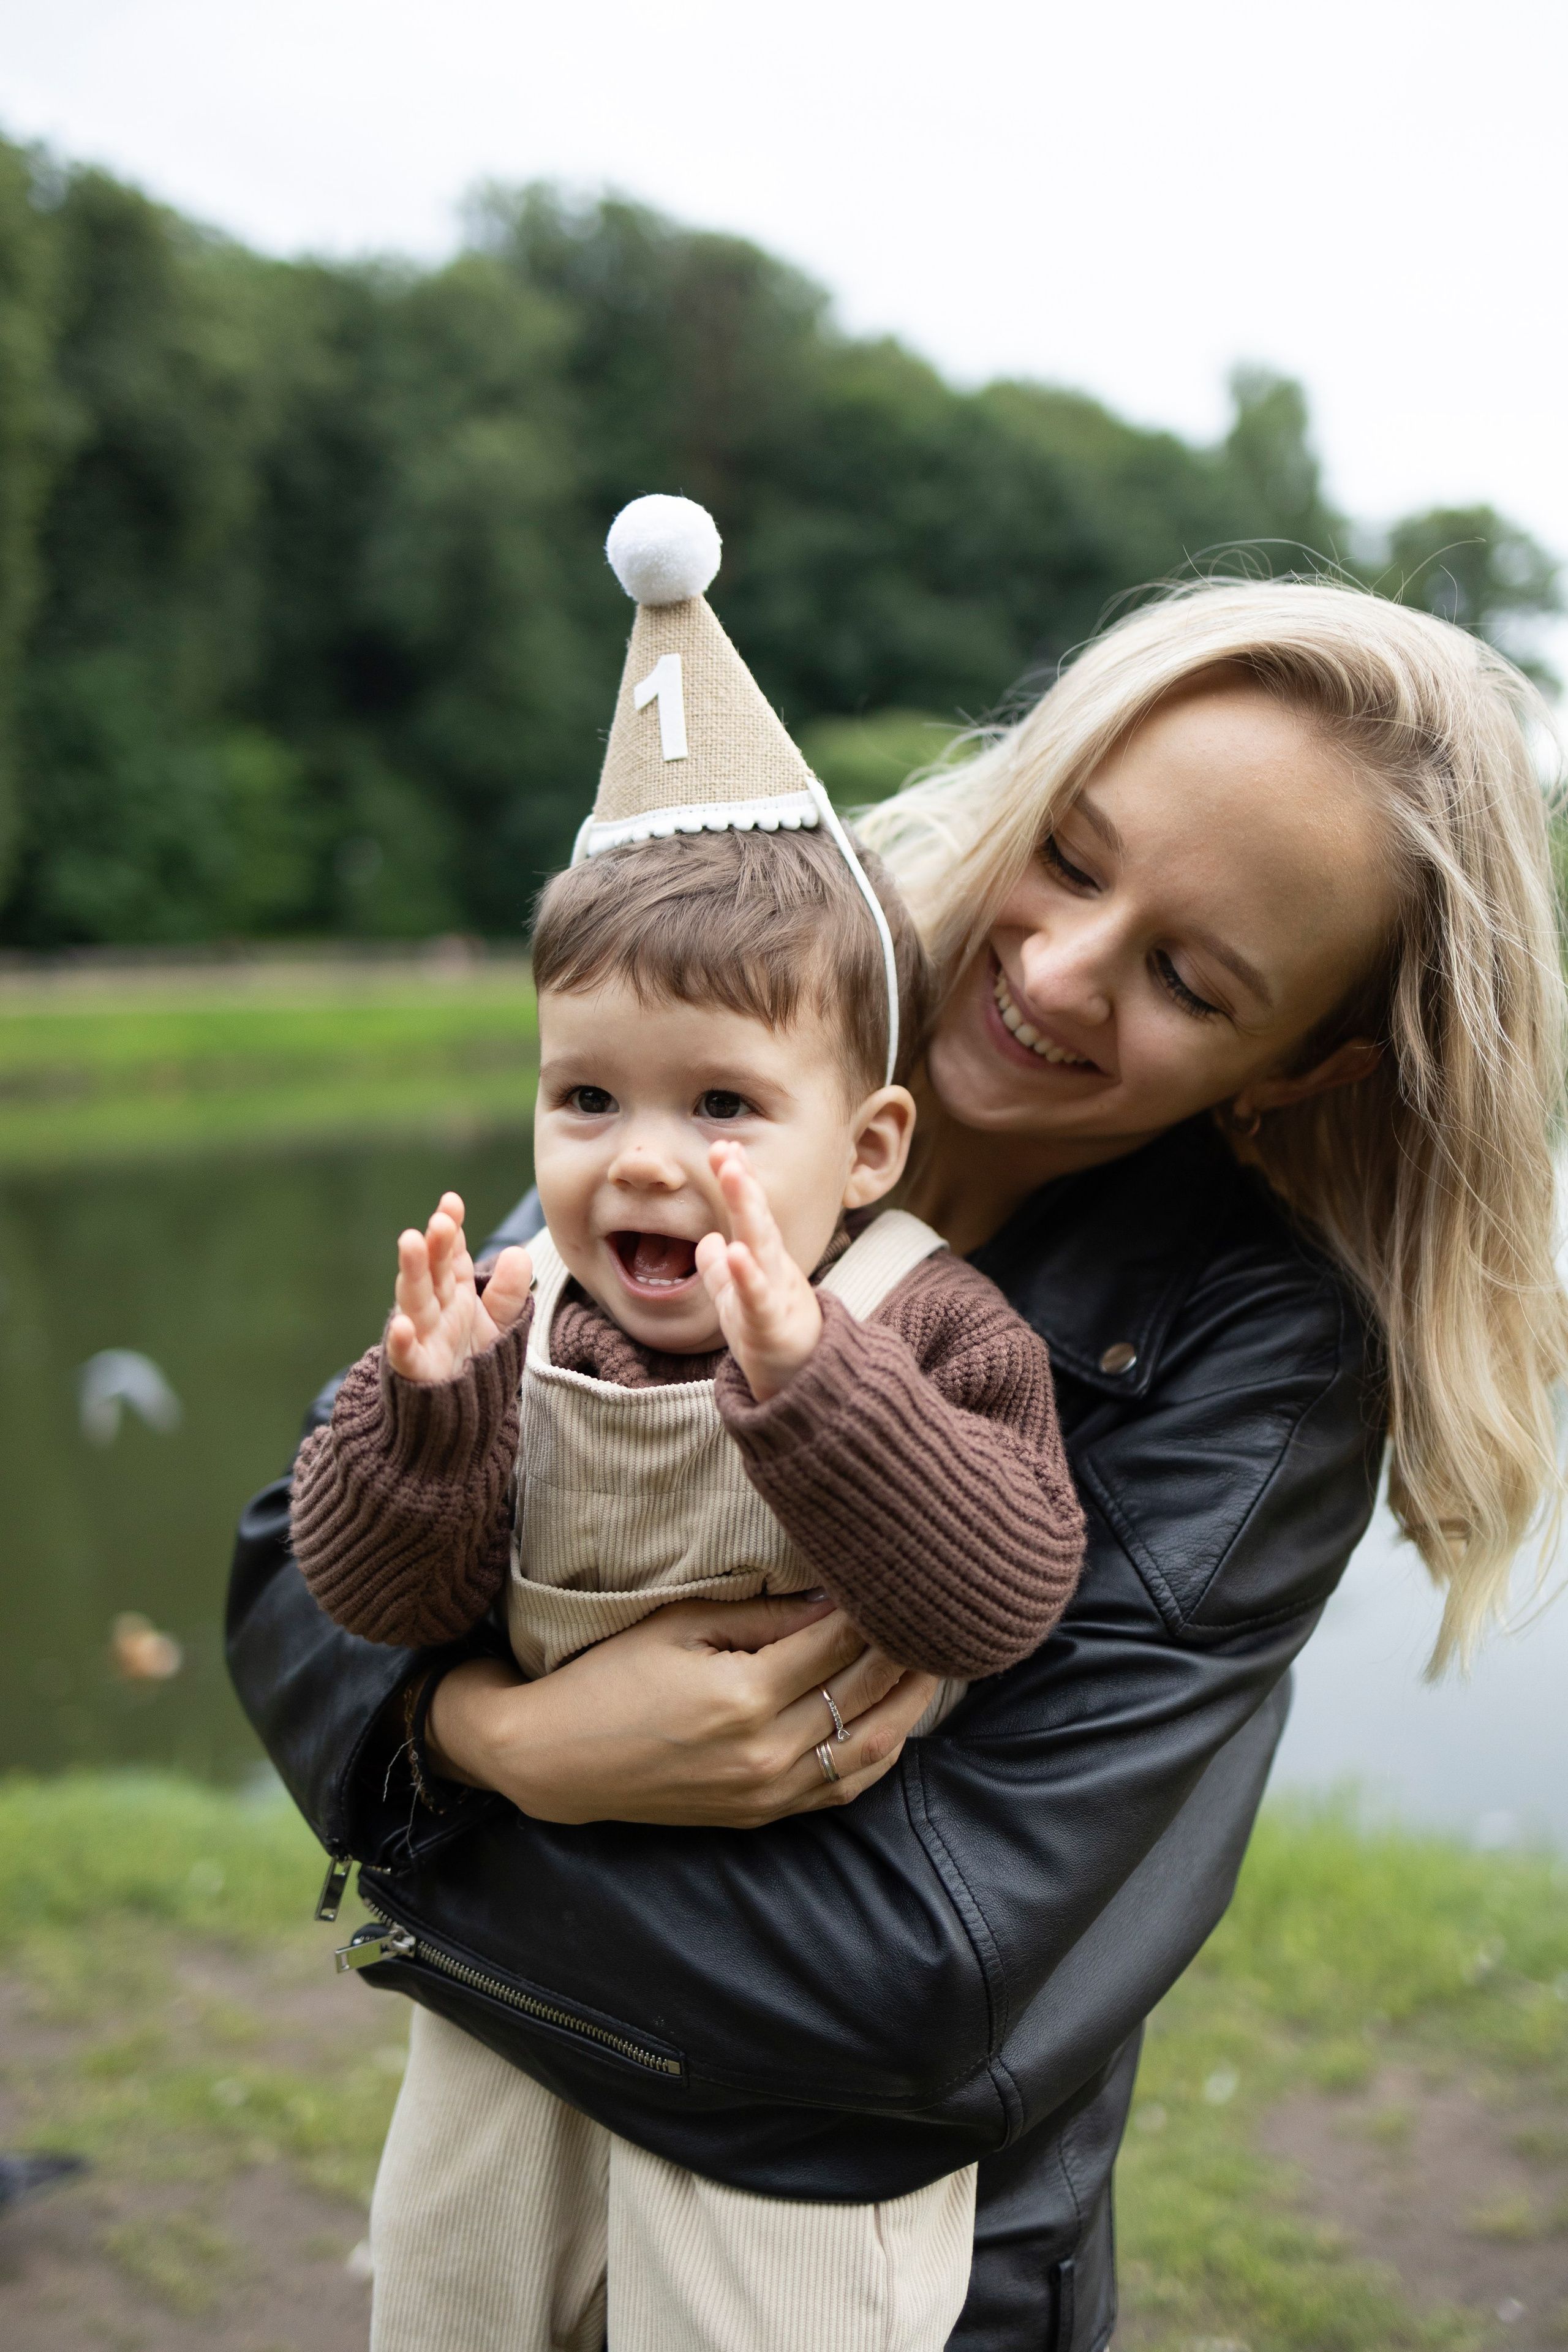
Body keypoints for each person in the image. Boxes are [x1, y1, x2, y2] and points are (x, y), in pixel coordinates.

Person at [228, 567, 1568, 2352]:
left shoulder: (1262, 1364)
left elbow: (919, 1967)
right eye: (1075, 861)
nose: (1058, 973)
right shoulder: (745, 1025)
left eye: (1186, 976)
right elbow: (297, 1571)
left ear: (1302, 1067)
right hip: (506, 2166)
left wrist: (424, 1821)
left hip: (881, 2257)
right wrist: (490, 1741)